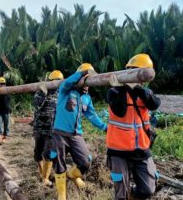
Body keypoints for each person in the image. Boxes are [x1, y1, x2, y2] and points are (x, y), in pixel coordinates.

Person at [106, 54, 161, 200]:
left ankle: (133, 194)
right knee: (121, 195)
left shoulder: (143, 92)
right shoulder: (114, 91)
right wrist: (122, 89)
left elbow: (155, 103)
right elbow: (120, 111)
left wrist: (137, 89)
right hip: (119, 150)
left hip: (141, 149)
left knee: (148, 189)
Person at [52, 63, 107, 200]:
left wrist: (105, 127)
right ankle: (62, 195)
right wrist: (84, 73)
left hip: (76, 134)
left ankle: (72, 175)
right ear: (79, 80)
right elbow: (68, 81)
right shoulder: (65, 90)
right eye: (86, 81)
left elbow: (92, 115)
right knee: (59, 163)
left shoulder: (86, 98)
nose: (87, 85)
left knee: (85, 162)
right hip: (60, 133)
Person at [33, 70, 64, 187]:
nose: (55, 83)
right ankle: (42, 175)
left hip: (52, 129)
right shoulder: (40, 92)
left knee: (48, 153)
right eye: (53, 81)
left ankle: (45, 178)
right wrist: (43, 93)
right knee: (37, 154)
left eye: (58, 81)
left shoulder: (61, 94)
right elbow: (37, 105)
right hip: (39, 128)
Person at [0, 77, 11, 145]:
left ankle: (4, 139)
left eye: (3, 84)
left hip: (6, 111)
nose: (2, 85)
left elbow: (7, 101)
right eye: (0, 84)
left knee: (6, 126)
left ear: (5, 84)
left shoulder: (8, 91)